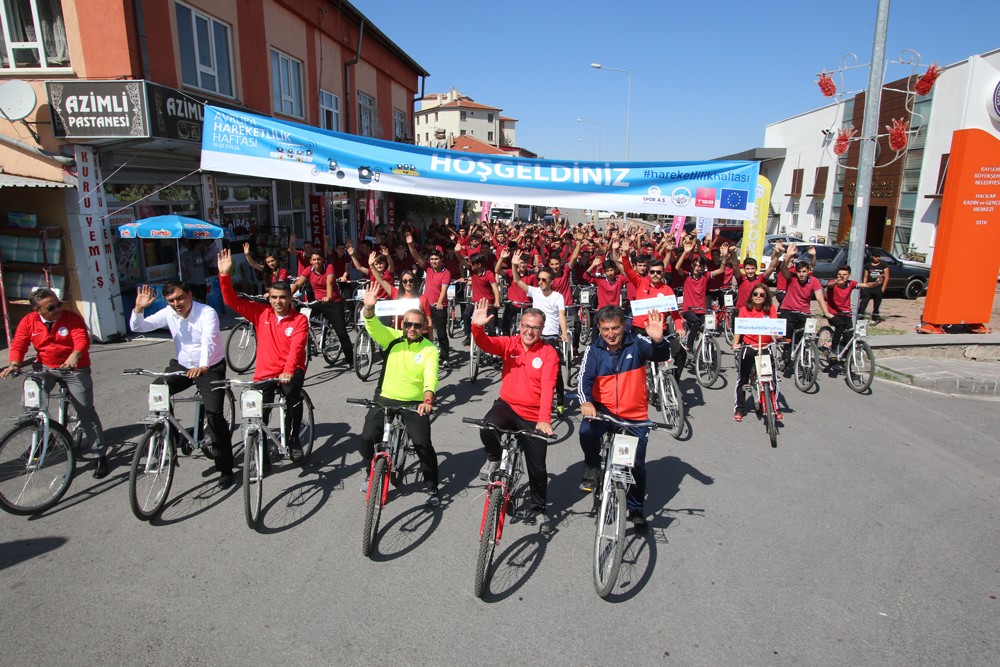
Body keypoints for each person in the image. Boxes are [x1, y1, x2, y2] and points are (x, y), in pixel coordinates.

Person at [129, 282, 235, 488]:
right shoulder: (169, 313)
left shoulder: (206, 312)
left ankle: (225, 468)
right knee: (157, 389)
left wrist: (203, 366)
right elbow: (138, 327)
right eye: (171, 301)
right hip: (183, 365)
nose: (176, 304)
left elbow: (209, 341)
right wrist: (139, 309)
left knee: (214, 417)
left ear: (190, 294)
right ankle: (171, 436)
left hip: (209, 366)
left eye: (180, 298)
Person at [577, 306, 672, 532]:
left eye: (616, 329)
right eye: (606, 329)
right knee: (585, 432)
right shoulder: (594, 349)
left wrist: (658, 341)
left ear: (624, 326)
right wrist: (587, 401)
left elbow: (661, 355)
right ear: (599, 330)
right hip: (603, 411)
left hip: (634, 416)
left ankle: (636, 509)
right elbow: (584, 379)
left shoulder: (637, 342)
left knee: (636, 467)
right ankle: (593, 467)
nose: (611, 334)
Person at [1, 288, 110, 478]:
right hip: (45, 368)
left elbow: (81, 340)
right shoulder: (29, 321)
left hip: (74, 368)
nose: (58, 309)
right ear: (38, 310)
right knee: (31, 404)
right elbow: (19, 343)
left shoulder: (71, 318)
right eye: (51, 307)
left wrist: (75, 355)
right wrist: (14, 363)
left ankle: (100, 454)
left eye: (58, 304)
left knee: (86, 411)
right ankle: (41, 439)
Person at [471, 298, 558, 535]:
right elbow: (485, 344)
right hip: (507, 406)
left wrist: (543, 418)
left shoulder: (549, 353)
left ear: (542, 329)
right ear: (519, 326)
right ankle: (493, 457)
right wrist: (477, 327)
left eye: (536, 328)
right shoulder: (510, 344)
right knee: (488, 427)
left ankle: (539, 508)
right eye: (526, 326)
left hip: (533, 415)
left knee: (538, 469)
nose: (530, 331)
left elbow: (549, 386)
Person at [217, 249, 309, 462]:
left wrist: (288, 371)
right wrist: (224, 276)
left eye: (283, 297)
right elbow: (232, 301)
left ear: (290, 298)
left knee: (292, 395)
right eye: (274, 297)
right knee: (258, 412)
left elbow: (297, 348)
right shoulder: (261, 313)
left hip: (290, 369)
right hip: (265, 372)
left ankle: (294, 437)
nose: (278, 301)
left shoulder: (299, 320)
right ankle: (262, 453)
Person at [357, 283, 441, 506]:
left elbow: (431, 376)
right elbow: (373, 326)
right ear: (402, 325)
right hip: (385, 397)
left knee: (422, 444)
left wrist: (427, 400)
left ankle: (432, 486)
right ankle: (370, 471)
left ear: (424, 328)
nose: (412, 328)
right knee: (366, 439)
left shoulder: (429, 349)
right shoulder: (392, 338)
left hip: (414, 403)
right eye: (408, 324)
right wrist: (369, 309)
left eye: (417, 325)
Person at [511, 251, 567, 413]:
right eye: (539, 280)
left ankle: (560, 403)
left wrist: (563, 334)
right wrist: (514, 265)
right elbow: (516, 280)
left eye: (544, 280)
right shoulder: (535, 292)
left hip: (550, 337)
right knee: (531, 369)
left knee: (555, 372)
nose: (540, 282)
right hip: (535, 337)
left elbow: (562, 316)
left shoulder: (558, 297)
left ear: (551, 281)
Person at [291, 250, 354, 368]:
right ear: (310, 261)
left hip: (333, 302)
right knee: (299, 313)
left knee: (342, 333)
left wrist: (329, 296)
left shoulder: (328, 267)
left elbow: (330, 282)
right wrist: (286, 296)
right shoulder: (309, 270)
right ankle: (308, 341)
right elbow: (298, 284)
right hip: (318, 302)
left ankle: (350, 360)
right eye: (314, 260)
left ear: (322, 260)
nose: (316, 262)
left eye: (318, 259)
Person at [731, 284, 781, 422]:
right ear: (751, 296)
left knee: (773, 378)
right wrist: (736, 343)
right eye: (755, 294)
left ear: (766, 297)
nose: (758, 297)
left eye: (762, 295)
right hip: (749, 346)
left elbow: (776, 325)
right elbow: (739, 330)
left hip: (765, 346)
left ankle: (774, 407)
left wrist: (780, 336)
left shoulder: (770, 309)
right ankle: (739, 409)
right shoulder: (744, 310)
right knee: (743, 378)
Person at [778, 245, 833, 365]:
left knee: (801, 337)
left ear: (808, 271)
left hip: (804, 312)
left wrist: (826, 312)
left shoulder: (814, 281)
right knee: (787, 337)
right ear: (796, 272)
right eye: (799, 272)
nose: (801, 274)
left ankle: (800, 357)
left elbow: (820, 298)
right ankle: (786, 353)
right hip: (788, 310)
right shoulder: (791, 278)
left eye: (804, 271)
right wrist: (787, 256)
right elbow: (783, 269)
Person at [406, 233, 453, 366]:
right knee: (424, 330)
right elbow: (416, 257)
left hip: (439, 306)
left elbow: (444, 289)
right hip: (426, 305)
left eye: (436, 259)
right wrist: (410, 244)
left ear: (441, 259)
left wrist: (439, 302)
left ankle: (444, 357)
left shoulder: (446, 273)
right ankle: (424, 354)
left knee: (441, 333)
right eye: (431, 259)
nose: (433, 261)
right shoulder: (428, 268)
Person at [859, 249, 889, 321]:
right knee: (863, 303)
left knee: (876, 305)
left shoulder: (883, 265)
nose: (878, 258)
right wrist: (864, 286)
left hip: (878, 287)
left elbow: (887, 277)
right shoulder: (868, 265)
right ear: (872, 256)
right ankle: (860, 316)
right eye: (876, 256)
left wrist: (883, 288)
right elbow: (865, 276)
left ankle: (875, 318)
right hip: (868, 287)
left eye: (879, 256)